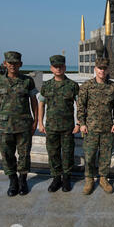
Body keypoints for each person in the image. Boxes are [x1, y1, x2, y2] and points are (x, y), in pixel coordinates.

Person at [0, 51, 38, 197]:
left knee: (24, 154)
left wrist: (36, 120)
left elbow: (34, 101)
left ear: (20, 64)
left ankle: (23, 180)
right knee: (7, 154)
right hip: (5, 125)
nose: (12, 65)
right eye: (10, 62)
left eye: (15, 63)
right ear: (5, 64)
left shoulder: (27, 81)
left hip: (24, 124)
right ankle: (13, 181)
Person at [77, 58, 114, 195]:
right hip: (91, 127)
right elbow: (80, 106)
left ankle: (103, 178)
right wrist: (81, 123)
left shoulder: (113, 86)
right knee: (89, 156)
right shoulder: (87, 86)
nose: (102, 71)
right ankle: (89, 179)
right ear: (95, 69)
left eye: (104, 68)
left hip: (107, 127)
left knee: (105, 156)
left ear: (108, 70)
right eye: (100, 68)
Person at [38, 55, 80, 193]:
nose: (58, 69)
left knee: (68, 153)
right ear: (51, 68)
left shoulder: (72, 85)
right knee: (53, 153)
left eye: (60, 66)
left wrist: (78, 123)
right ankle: (56, 178)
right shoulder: (46, 86)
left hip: (68, 127)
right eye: (55, 66)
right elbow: (41, 104)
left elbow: (79, 105)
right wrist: (40, 123)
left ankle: (67, 178)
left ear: (65, 68)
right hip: (51, 126)